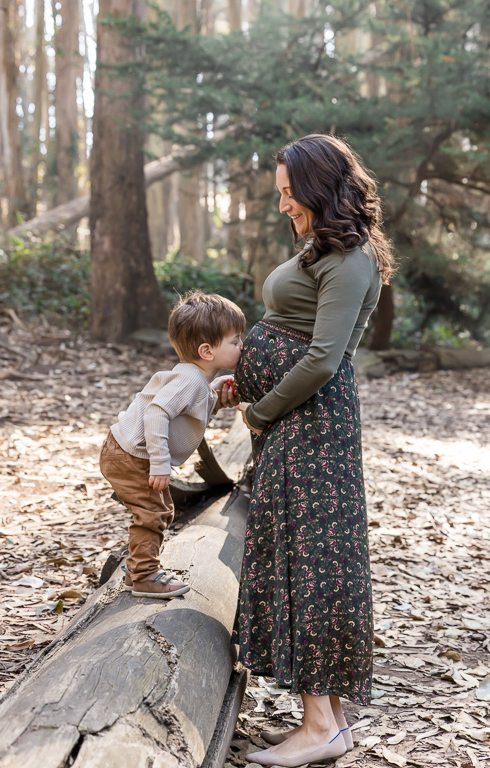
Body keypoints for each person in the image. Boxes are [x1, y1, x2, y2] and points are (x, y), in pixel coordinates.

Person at [232, 134, 394, 766]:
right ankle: (331, 724)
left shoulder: (350, 259)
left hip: (313, 427)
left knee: (314, 562)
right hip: (298, 424)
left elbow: (325, 359)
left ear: (319, 187)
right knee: (301, 555)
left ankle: (320, 725)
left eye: (288, 193)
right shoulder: (327, 250)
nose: (282, 205)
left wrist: (260, 409)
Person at [100, 291, 245, 598]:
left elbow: (187, 412)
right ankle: (144, 576)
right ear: (207, 351)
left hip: (126, 450)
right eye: (235, 341)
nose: (242, 346)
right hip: (132, 456)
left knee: (159, 510)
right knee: (153, 512)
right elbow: (157, 412)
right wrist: (160, 463)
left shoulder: (195, 380)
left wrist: (216, 397)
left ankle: (138, 569)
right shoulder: (190, 381)